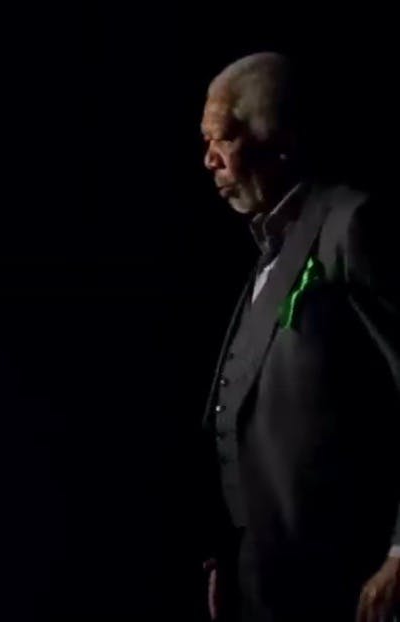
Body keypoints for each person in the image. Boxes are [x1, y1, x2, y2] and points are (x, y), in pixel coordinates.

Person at [199, 52, 400, 621]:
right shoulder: (269, 248)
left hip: (342, 585)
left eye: (224, 139)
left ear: (280, 138)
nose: (208, 159)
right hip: (263, 588)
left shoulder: (352, 225)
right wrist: (227, 558)